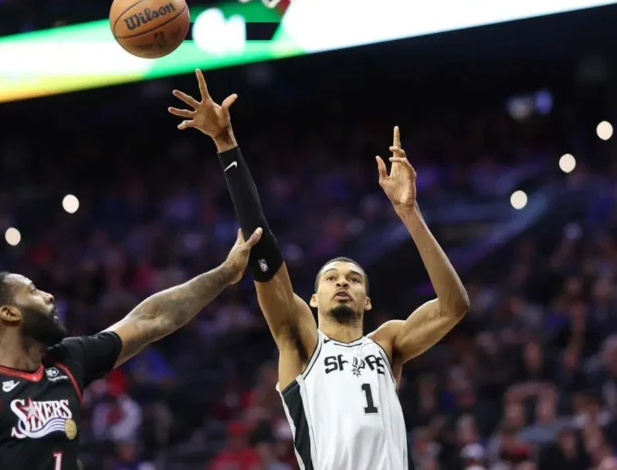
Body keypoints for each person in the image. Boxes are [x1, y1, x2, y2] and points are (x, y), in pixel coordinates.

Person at [169, 69, 470, 470]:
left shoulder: (388, 344)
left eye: (353, 278)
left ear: (367, 301)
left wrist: (410, 213)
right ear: (312, 298)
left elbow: (454, 306)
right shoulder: (301, 341)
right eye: (331, 278)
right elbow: (263, 247)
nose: (342, 281)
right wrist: (226, 143)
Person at [0, 228, 263, 470]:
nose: (49, 296)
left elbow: (152, 319)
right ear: (8, 313)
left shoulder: (67, 360)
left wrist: (226, 274)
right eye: (33, 291)